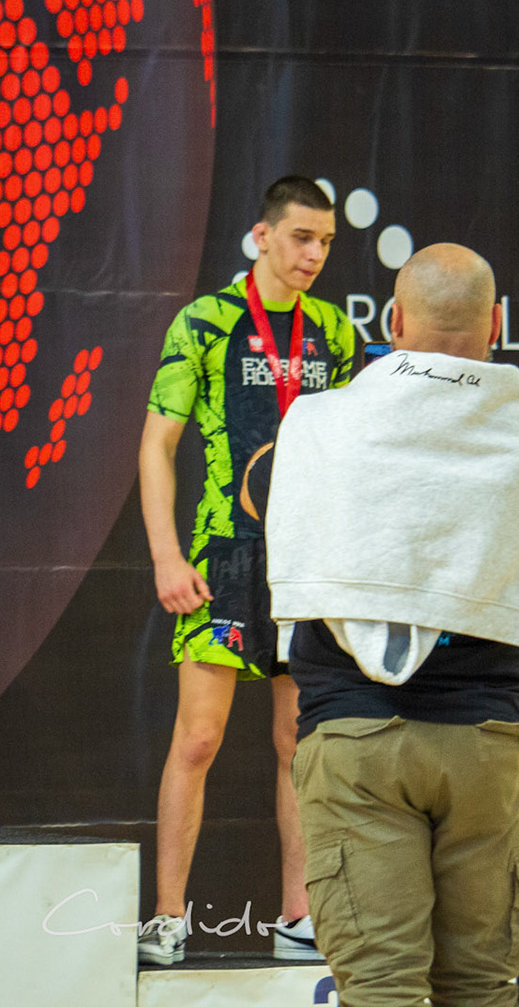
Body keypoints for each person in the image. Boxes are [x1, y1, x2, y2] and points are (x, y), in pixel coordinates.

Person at [264, 244, 519, 1006]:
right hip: (483, 742)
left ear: (393, 321)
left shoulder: (317, 424)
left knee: (380, 990)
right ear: (496, 324)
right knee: (482, 988)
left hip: (356, 737)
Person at [136, 176, 356, 966]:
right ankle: (167, 917)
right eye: (301, 238)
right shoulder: (205, 322)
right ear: (262, 237)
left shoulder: (335, 332)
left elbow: (352, 451)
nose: (314, 255)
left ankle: (299, 916)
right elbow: (157, 445)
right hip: (224, 556)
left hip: (307, 564)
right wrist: (166, 554)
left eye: (326, 242)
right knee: (199, 738)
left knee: (300, 742)